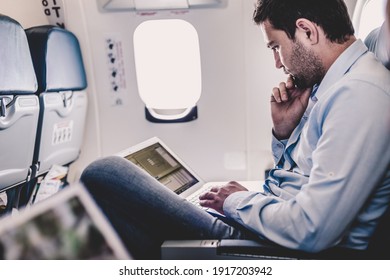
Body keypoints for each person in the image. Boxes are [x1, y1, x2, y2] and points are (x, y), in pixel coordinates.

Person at [81, 0, 390, 259]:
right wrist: (283, 134)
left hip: (288, 252)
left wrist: (234, 202)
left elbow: (312, 228)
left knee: (104, 174)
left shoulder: (359, 94)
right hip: (272, 224)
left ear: (307, 31)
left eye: (276, 47)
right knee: (123, 226)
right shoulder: (331, 84)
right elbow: (299, 179)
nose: (277, 63)